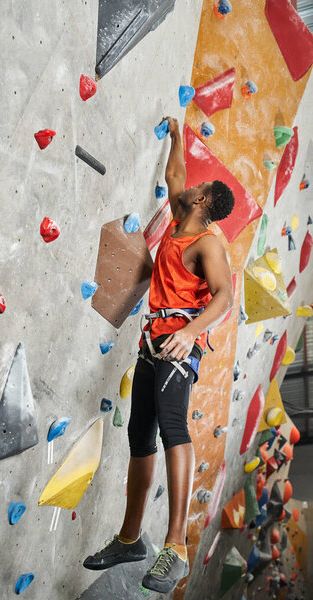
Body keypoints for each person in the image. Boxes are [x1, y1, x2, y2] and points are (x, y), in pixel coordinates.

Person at [83, 116, 234, 594]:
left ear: (205, 200)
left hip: (175, 344)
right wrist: (176, 134)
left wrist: (191, 333)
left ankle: (176, 547)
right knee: (139, 435)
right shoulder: (176, 221)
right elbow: (174, 176)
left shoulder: (208, 243)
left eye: (201, 185)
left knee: (172, 427)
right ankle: (131, 537)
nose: (191, 185)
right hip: (153, 344)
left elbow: (225, 297)